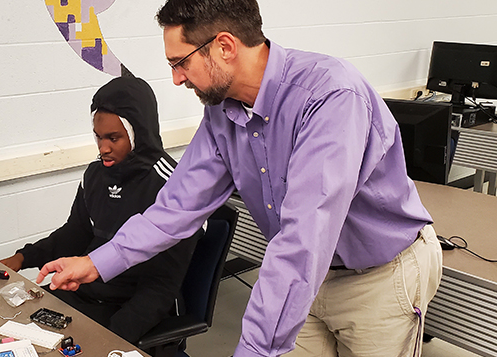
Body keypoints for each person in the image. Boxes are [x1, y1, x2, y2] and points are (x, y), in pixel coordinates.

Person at [36, 1, 443, 356]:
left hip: (378, 277)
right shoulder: (222, 112)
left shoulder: (329, 96)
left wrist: (252, 349)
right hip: (305, 281)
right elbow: (175, 208)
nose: (177, 78)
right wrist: (95, 262)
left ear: (225, 47)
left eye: (181, 63)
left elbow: (303, 240)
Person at [0, 76, 200, 344]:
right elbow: (75, 233)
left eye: (114, 138)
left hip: (132, 311)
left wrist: (108, 341)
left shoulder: (170, 188)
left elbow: (159, 290)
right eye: (98, 137)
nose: (103, 148)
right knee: (10, 329)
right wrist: (22, 258)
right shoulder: (96, 174)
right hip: (84, 293)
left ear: (137, 133)